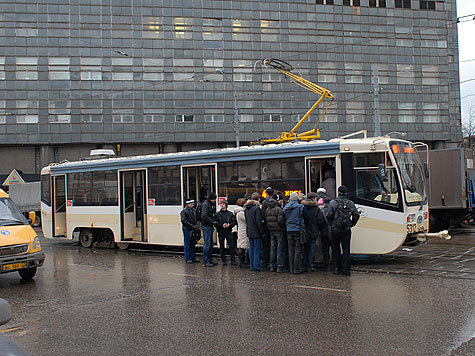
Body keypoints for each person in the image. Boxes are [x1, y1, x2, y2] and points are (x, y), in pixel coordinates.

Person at [326, 185, 360, 276]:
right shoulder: (350, 203)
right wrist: (352, 224)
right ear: (346, 193)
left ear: (338, 192)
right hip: (346, 230)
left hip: (335, 230)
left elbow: (328, 215)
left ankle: (338, 269)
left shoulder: (333, 203)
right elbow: (356, 215)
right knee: (346, 250)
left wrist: (332, 224)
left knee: (336, 250)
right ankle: (346, 270)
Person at [283, 192, 305, 274]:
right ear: (297, 198)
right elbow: (307, 217)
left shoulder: (285, 207)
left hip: (289, 230)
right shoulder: (300, 207)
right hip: (298, 230)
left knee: (290, 249)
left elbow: (283, 218)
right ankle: (297, 268)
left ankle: (291, 268)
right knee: (297, 249)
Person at [302, 192, 325, 272]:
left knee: (305, 249)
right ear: (313, 199)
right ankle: (310, 265)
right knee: (312, 248)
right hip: (313, 230)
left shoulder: (302, 206)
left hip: (304, 230)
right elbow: (320, 220)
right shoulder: (316, 208)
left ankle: (304, 264)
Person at [264, 193, 285, 272]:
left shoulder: (267, 209)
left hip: (271, 230)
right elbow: (280, 221)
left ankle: (272, 266)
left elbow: (266, 220)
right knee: (279, 248)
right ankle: (279, 266)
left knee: (272, 248)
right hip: (279, 230)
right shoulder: (278, 209)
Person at [245, 192, 266, 271]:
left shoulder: (247, 208)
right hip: (256, 232)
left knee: (251, 249)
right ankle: (257, 266)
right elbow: (258, 222)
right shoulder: (256, 208)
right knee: (257, 249)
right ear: (258, 199)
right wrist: (262, 232)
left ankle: (252, 266)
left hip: (249, 231)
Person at [214, 200, 237, 265]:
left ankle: (233, 260)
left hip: (228, 231)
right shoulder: (217, 214)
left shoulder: (230, 214)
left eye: (223, 204)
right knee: (222, 246)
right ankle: (223, 260)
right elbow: (215, 223)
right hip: (221, 231)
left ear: (226, 205)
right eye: (221, 204)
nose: (221, 205)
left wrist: (229, 225)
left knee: (231, 246)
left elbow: (234, 222)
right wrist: (221, 225)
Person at [180, 199, 200, 263]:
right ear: (188, 204)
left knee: (192, 243)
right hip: (187, 229)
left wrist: (195, 226)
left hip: (191, 228)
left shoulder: (193, 210)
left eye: (193, 204)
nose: (192, 205)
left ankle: (192, 257)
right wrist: (194, 226)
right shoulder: (184, 211)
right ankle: (188, 258)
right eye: (191, 204)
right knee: (188, 243)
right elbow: (184, 221)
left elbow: (197, 219)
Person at [201, 192, 217, 267]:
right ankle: (206, 261)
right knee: (207, 244)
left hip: (208, 226)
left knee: (210, 244)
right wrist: (212, 221)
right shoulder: (206, 204)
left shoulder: (207, 203)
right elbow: (204, 216)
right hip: (207, 226)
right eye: (214, 199)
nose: (215, 201)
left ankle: (209, 260)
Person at [260, 186, 274, 270]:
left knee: (265, 245)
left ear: (267, 193)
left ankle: (265, 263)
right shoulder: (275, 202)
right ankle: (272, 263)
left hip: (266, 226)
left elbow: (263, 215)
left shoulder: (265, 202)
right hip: (274, 227)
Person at [234, 198, 249, 268]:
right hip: (243, 231)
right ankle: (242, 262)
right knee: (242, 246)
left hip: (242, 230)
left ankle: (243, 261)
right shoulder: (240, 213)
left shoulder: (239, 212)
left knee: (242, 246)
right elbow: (247, 220)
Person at [320, 197, 332, 271]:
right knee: (334, 248)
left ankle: (327, 265)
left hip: (324, 232)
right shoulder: (333, 210)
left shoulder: (322, 211)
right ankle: (335, 265)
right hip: (332, 232)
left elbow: (320, 222)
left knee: (325, 249)